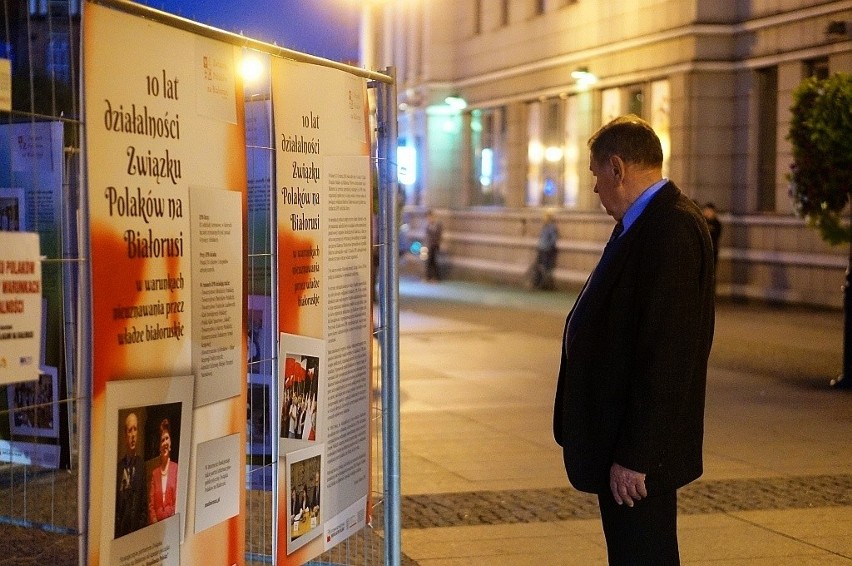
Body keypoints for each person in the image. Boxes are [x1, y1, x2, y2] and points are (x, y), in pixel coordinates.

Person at [553, 115, 715, 565]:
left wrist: (637, 454)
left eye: (595, 175)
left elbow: (669, 352)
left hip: (637, 453)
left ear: (618, 168)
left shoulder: (670, 228)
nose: (594, 188)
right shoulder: (644, 223)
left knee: (644, 556)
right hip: (621, 438)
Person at [115, 411, 147, 538]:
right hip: (121, 533)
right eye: (130, 430)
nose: (133, 434)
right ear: (125, 435)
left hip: (137, 533)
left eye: (135, 429)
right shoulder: (118, 468)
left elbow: (144, 502)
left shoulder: (141, 466)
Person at [148, 418, 178, 524]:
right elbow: (151, 506)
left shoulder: (176, 469)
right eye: (162, 440)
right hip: (157, 527)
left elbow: (177, 501)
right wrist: (156, 524)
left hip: (173, 523)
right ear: (159, 447)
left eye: (167, 439)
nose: (165, 442)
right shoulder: (154, 473)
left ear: (170, 443)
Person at [531, 211, 559, 289]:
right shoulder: (545, 227)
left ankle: (544, 285)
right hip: (542, 249)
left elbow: (553, 239)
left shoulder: (551, 227)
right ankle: (538, 283)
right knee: (540, 267)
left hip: (547, 250)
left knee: (545, 268)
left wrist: (548, 246)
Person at [424, 209, 443, 281]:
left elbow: (439, 236)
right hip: (429, 245)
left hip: (435, 246)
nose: (429, 219)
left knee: (433, 261)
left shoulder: (438, 225)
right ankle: (429, 277)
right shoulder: (428, 226)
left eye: (430, 217)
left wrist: (437, 244)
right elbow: (427, 236)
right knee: (430, 261)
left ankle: (435, 277)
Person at [702, 202, 722, 269]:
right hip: (704, 249)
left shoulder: (716, 223)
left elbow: (717, 235)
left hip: (713, 249)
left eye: (709, 211)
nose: (707, 213)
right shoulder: (702, 222)